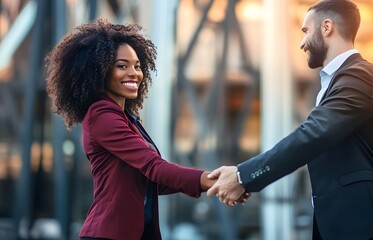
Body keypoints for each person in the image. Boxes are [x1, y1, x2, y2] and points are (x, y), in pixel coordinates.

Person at [207, 0, 373, 239]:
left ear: (327, 27)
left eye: (305, 31)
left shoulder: (361, 76)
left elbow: (312, 135)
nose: (301, 43)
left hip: (372, 229)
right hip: (349, 228)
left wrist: (243, 176)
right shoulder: (339, 82)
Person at [44, 18, 235, 240]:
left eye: (137, 66)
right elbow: (154, 167)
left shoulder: (126, 118)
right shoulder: (102, 115)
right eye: (121, 66)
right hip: (109, 234)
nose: (134, 73)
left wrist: (211, 183)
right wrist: (213, 180)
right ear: (99, 71)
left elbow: (149, 180)